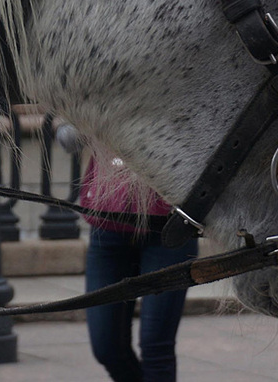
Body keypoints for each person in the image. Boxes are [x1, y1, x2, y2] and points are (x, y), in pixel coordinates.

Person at [77, 145, 198, 382]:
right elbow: (69, 134)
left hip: (168, 229)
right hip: (107, 227)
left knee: (156, 348)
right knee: (107, 348)